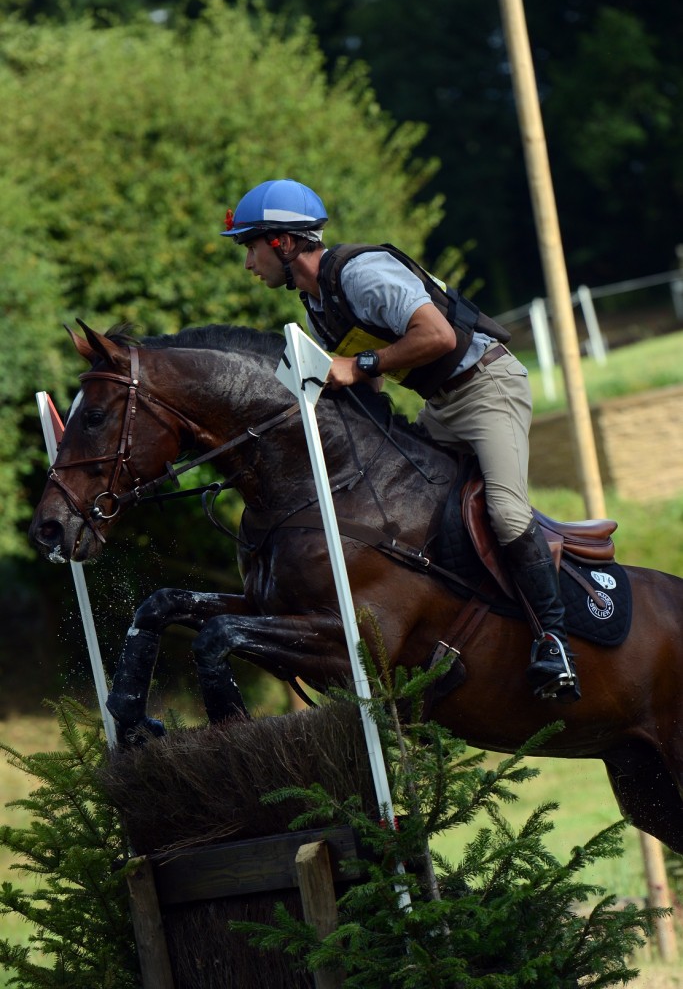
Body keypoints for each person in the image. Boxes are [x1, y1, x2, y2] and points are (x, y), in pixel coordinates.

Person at [222, 178, 580, 703]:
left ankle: (556, 640)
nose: (249, 264)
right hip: (440, 405)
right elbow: (366, 384)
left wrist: (357, 365)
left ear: (282, 242)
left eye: (251, 247)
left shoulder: (362, 274)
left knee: (504, 510)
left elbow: (438, 336)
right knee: (417, 510)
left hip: (486, 388)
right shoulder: (317, 307)